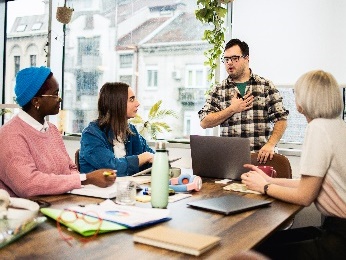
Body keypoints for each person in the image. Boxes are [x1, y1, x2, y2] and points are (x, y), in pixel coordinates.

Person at [241, 70, 346, 259]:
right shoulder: (338, 126)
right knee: (266, 243)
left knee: (250, 252)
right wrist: (269, 180)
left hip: (339, 240)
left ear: (302, 102)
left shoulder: (317, 128)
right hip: (335, 230)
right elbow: (311, 185)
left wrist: (264, 186)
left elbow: (305, 196)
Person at [0, 66, 116, 198]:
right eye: (55, 94)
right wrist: (86, 179)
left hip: (61, 202)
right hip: (27, 214)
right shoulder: (10, 136)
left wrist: (81, 186)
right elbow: (29, 184)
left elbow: (70, 168)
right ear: (36, 101)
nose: (60, 99)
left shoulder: (52, 130)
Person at [198, 38, 289, 163]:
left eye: (235, 58)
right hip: (230, 161)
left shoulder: (265, 86)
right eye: (226, 59)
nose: (229, 63)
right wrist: (231, 109)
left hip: (261, 159)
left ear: (247, 58)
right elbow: (204, 122)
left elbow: (281, 119)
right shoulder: (218, 90)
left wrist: (271, 144)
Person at [79, 82, 154, 176]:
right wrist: (143, 158)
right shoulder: (91, 135)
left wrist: (157, 160)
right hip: (100, 190)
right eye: (131, 99)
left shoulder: (131, 131)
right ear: (116, 104)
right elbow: (112, 169)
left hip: (126, 188)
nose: (137, 103)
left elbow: (151, 157)